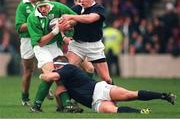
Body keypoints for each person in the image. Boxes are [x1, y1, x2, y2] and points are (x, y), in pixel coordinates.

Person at [40, 56, 176, 113]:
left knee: (130, 95)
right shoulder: (62, 81)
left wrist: (43, 74)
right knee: (114, 111)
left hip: (99, 89)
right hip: (94, 103)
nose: (54, 68)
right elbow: (58, 94)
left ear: (60, 65)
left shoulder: (68, 68)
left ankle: (164, 96)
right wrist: (59, 106)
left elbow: (51, 76)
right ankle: (142, 112)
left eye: (55, 66)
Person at [27, 0, 82, 113]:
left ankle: (64, 105)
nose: (42, 9)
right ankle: (37, 106)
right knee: (52, 73)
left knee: (62, 74)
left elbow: (76, 18)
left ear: (49, 4)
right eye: (40, 7)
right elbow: (40, 42)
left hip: (54, 46)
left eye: (45, 6)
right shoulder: (32, 18)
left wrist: (68, 24)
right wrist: (56, 30)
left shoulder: (58, 7)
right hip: (41, 47)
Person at [60, 0, 113, 84]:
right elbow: (66, 23)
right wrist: (65, 30)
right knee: (65, 72)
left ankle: (113, 97)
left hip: (94, 46)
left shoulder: (98, 8)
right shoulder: (76, 9)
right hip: (77, 45)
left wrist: (71, 17)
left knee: (106, 79)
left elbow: (89, 19)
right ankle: (69, 98)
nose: (81, 0)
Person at [15, 0, 53, 106]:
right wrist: (33, 22)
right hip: (26, 40)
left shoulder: (43, 5)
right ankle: (25, 97)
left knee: (47, 64)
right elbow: (19, 27)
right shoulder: (22, 6)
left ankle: (46, 88)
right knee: (28, 70)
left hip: (40, 39)